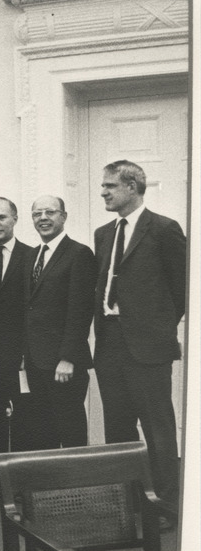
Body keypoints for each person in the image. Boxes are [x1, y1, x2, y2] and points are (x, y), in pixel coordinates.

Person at [94, 160, 185, 508]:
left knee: (158, 429)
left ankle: (166, 505)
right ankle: (128, 501)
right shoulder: (104, 233)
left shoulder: (164, 229)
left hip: (148, 347)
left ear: (132, 187)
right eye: (103, 186)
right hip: (109, 343)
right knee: (117, 428)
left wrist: (156, 325)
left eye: (110, 186)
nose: (103, 191)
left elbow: (182, 289)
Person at [23, 195, 96, 450]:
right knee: (44, 429)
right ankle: (50, 489)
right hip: (34, 361)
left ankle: (77, 486)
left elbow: (81, 311)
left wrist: (68, 358)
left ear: (63, 217)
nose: (43, 218)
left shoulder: (79, 254)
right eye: (37, 214)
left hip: (63, 363)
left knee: (70, 426)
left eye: (50, 212)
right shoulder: (31, 255)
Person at [0, 198, 34, 455]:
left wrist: (26, 351)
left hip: (21, 354)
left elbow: (34, 310)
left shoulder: (32, 256)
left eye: (2, 217)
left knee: (24, 416)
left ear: (15, 219)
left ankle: (20, 477)